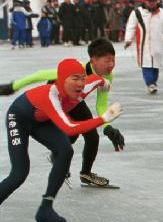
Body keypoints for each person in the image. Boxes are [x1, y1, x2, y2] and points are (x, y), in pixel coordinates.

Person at [0, 58, 124, 222]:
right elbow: (69, 128)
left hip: (41, 119)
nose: (80, 83)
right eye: (74, 78)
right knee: (19, 173)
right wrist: (103, 119)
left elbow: (99, 81)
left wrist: (105, 84)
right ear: (62, 80)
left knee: (65, 150)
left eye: (82, 78)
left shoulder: (86, 85)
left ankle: (45, 209)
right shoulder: (51, 95)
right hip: (19, 118)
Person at [0, 38, 126, 187]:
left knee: (92, 136)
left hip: (76, 99)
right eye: (107, 61)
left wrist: (107, 128)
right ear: (93, 61)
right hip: (55, 97)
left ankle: (85, 173)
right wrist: (14, 86)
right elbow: (41, 74)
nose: (111, 65)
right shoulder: (76, 69)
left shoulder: (107, 76)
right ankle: (58, 154)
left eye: (113, 60)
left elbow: (101, 104)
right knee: (71, 133)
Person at [124, 0, 163, 94]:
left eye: (153, 1)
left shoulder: (162, 13)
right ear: (145, 1)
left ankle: (153, 83)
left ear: (157, 1)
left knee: (155, 65)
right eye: (149, 1)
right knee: (146, 64)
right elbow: (131, 27)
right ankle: (150, 84)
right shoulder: (137, 12)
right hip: (144, 44)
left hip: (157, 43)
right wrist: (128, 40)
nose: (151, 3)